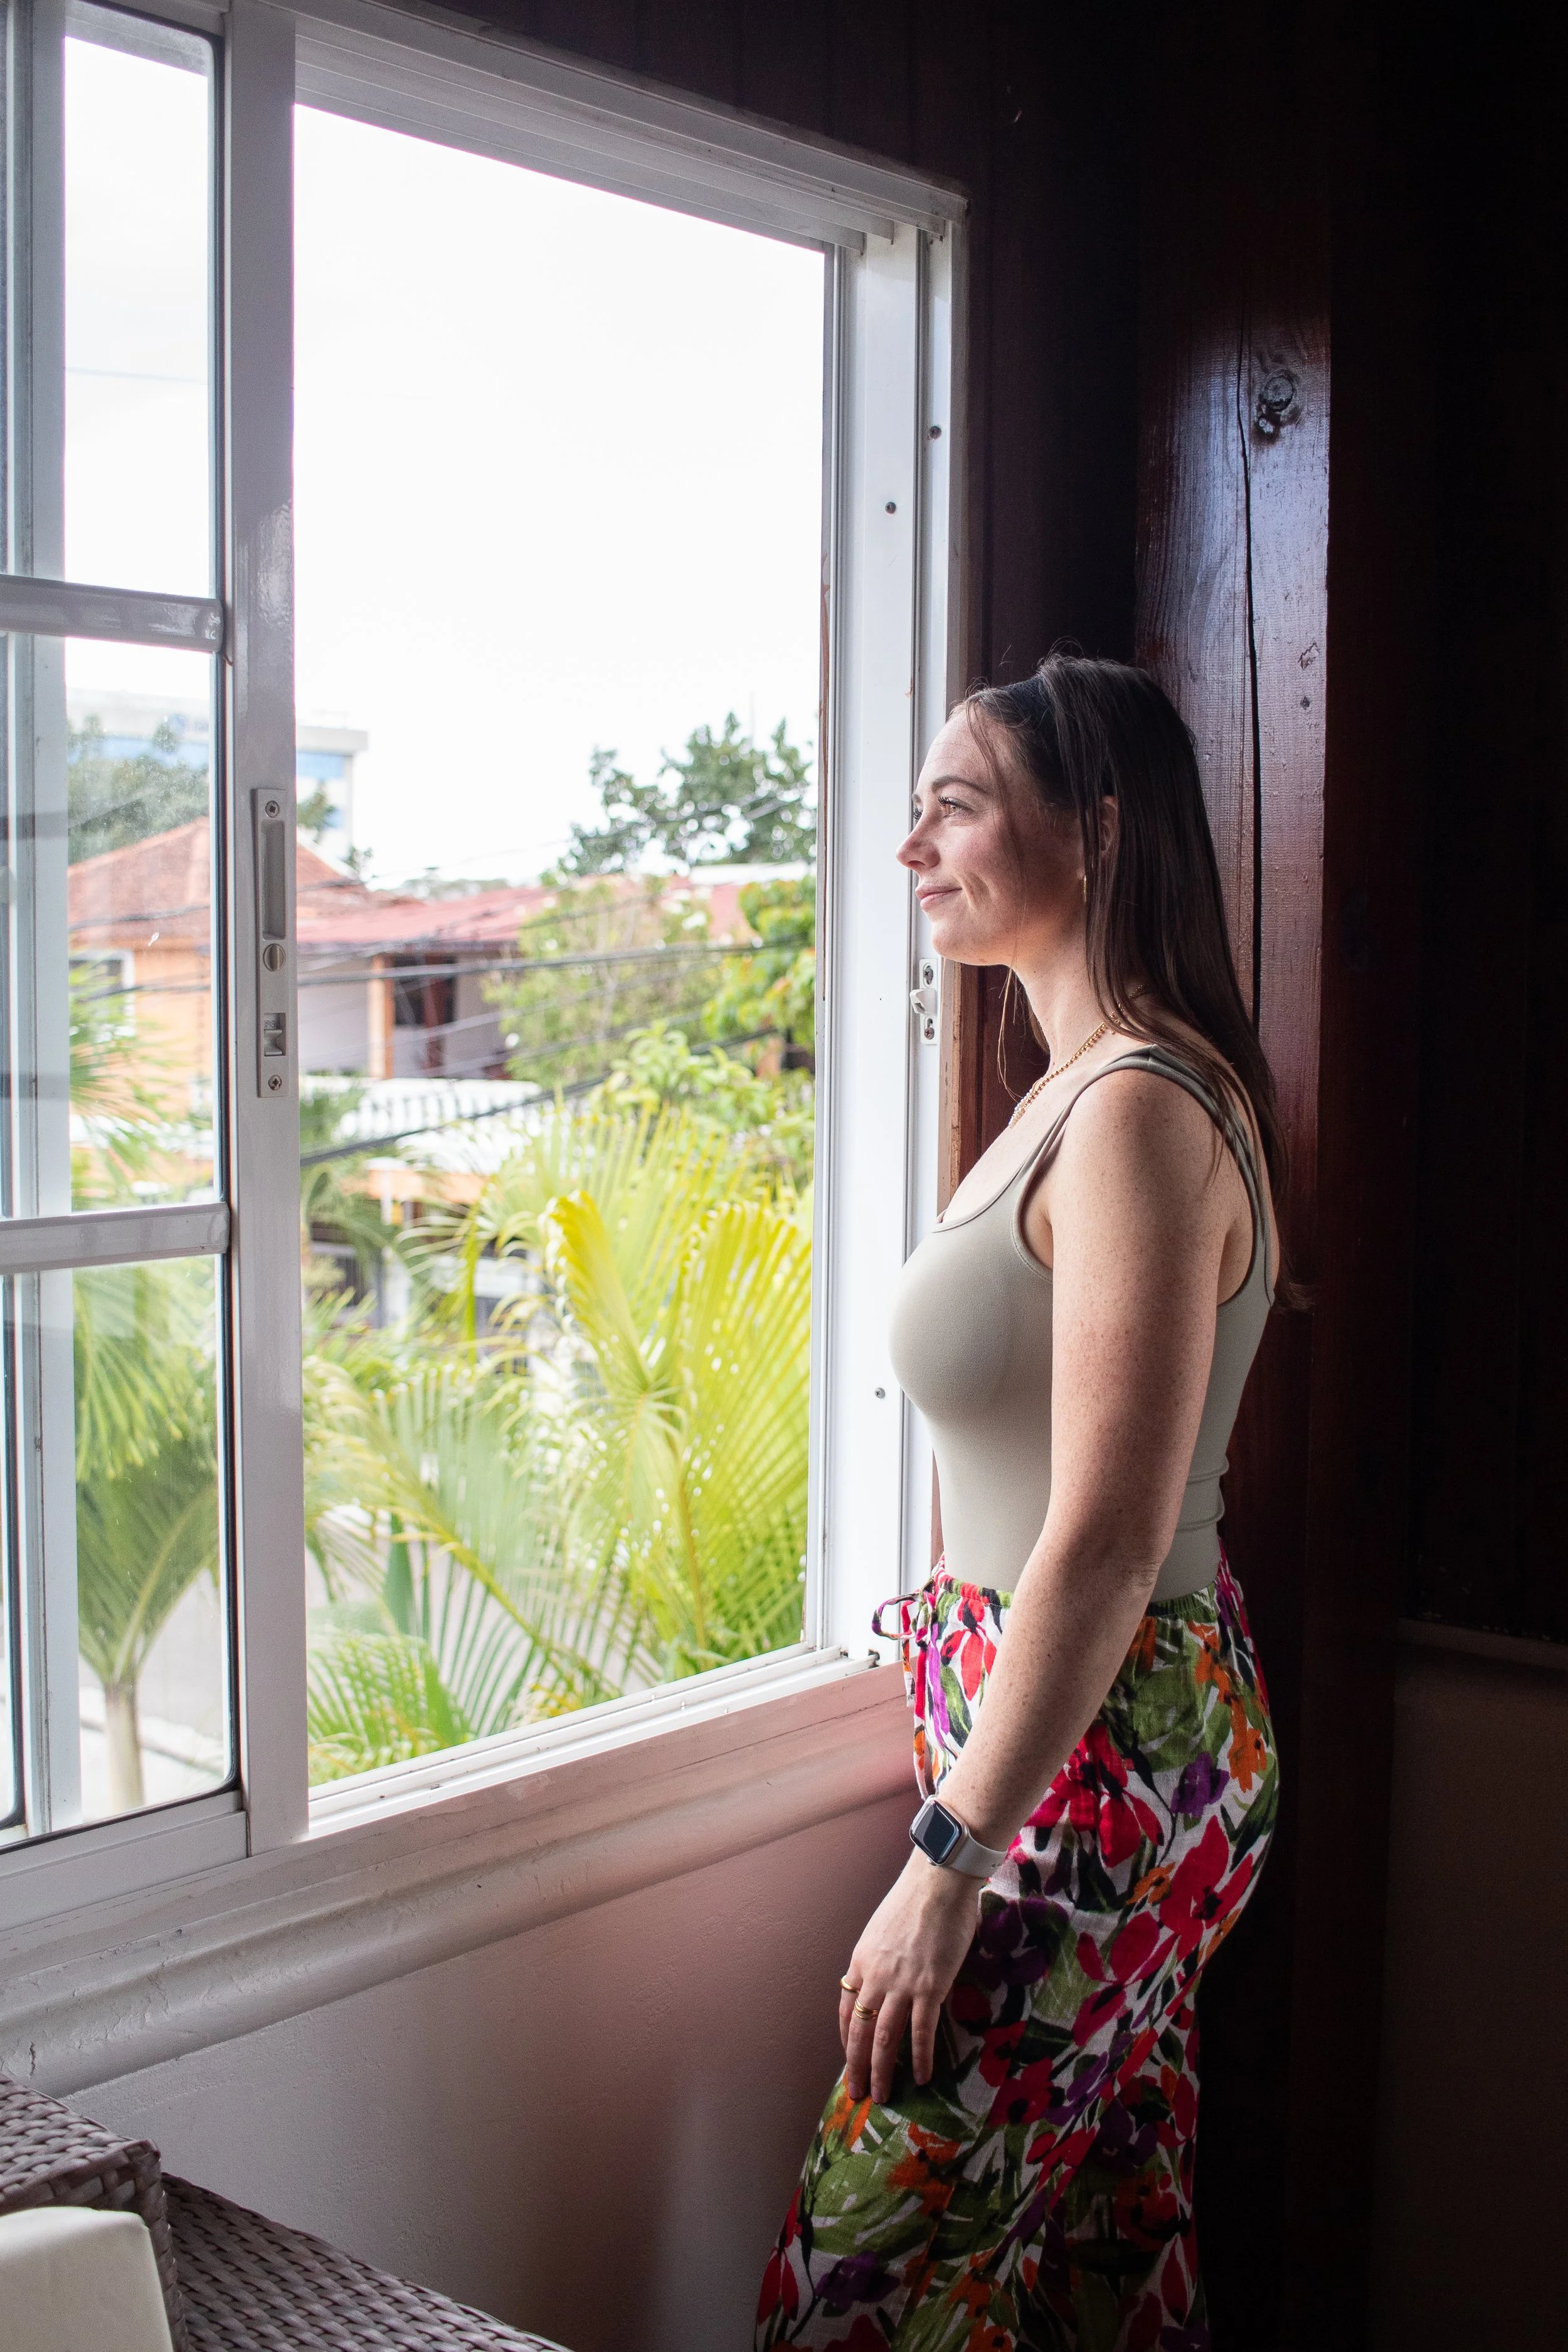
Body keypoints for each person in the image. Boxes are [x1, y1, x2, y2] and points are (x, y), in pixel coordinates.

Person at [755, 654, 1282, 2350]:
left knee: (857, 2281)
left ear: (1099, 832)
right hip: (1082, 1737)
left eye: (957, 805)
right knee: (1094, 2265)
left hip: (1094, 1761)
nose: (911, 845)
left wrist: (947, 1860)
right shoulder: (1079, 1088)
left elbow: (1109, 1534)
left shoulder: (1138, 1108)